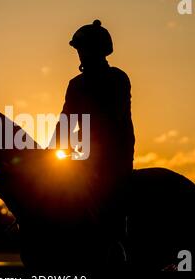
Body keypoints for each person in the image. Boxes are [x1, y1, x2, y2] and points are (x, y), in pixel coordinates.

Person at [51, 20, 135, 260]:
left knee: (109, 196)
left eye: (85, 49)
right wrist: (48, 150)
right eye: (79, 50)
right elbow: (67, 119)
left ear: (99, 51)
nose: (81, 54)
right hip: (85, 153)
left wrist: (77, 137)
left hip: (114, 154)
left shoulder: (118, 79)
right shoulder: (75, 85)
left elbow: (113, 119)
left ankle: (118, 246)